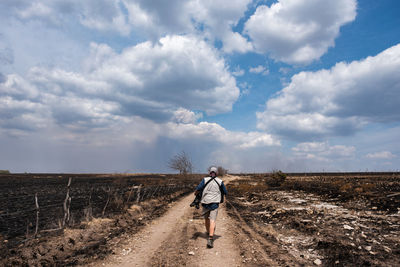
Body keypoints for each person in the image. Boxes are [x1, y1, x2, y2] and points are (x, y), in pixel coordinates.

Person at [194, 166, 228, 248]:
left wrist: (196, 194)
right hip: (214, 204)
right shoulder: (220, 181)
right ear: (216, 173)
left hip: (205, 203)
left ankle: (208, 231)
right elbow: (225, 192)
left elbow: (198, 189)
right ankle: (210, 238)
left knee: (206, 219)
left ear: (210, 173)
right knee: (213, 220)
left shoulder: (205, 180)